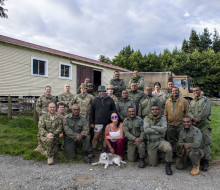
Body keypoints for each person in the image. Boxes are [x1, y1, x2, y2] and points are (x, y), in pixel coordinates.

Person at [144, 105, 173, 175]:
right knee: (153, 164)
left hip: (160, 141)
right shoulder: (147, 118)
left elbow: (164, 129)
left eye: (156, 109)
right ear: (151, 111)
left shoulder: (163, 118)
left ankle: (168, 165)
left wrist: (152, 127)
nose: (155, 111)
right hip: (151, 142)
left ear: (159, 110)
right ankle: (158, 155)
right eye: (153, 109)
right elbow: (146, 130)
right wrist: (158, 130)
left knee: (168, 148)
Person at [89, 85, 116, 158]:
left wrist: (113, 121)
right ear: (98, 92)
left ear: (105, 92)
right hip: (98, 122)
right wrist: (91, 122)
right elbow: (91, 112)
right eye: (100, 91)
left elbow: (114, 110)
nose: (102, 92)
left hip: (107, 122)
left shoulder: (110, 100)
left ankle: (104, 150)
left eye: (103, 91)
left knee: (106, 137)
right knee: (95, 137)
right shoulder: (95, 100)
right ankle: (93, 151)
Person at [188, 86, 211, 172]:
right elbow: (189, 111)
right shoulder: (192, 101)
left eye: (197, 90)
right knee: (196, 142)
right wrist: (193, 118)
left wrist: (196, 119)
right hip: (195, 125)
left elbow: (205, 111)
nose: (195, 92)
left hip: (203, 124)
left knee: (206, 142)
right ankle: (196, 160)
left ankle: (205, 162)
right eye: (193, 91)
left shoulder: (205, 100)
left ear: (200, 91)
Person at [164, 87, 189, 157]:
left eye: (176, 91)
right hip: (170, 124)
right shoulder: (168, 101)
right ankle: (173, 154)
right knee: (171, 140)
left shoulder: (184, 101)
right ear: (171, 92)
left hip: (180, 124)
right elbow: (165, 112)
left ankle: (182, 154)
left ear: (178, 91)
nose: (175, 92)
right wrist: (165, 123)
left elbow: (187, 112)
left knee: (182, 140)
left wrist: (186, 123)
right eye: (173, 91)